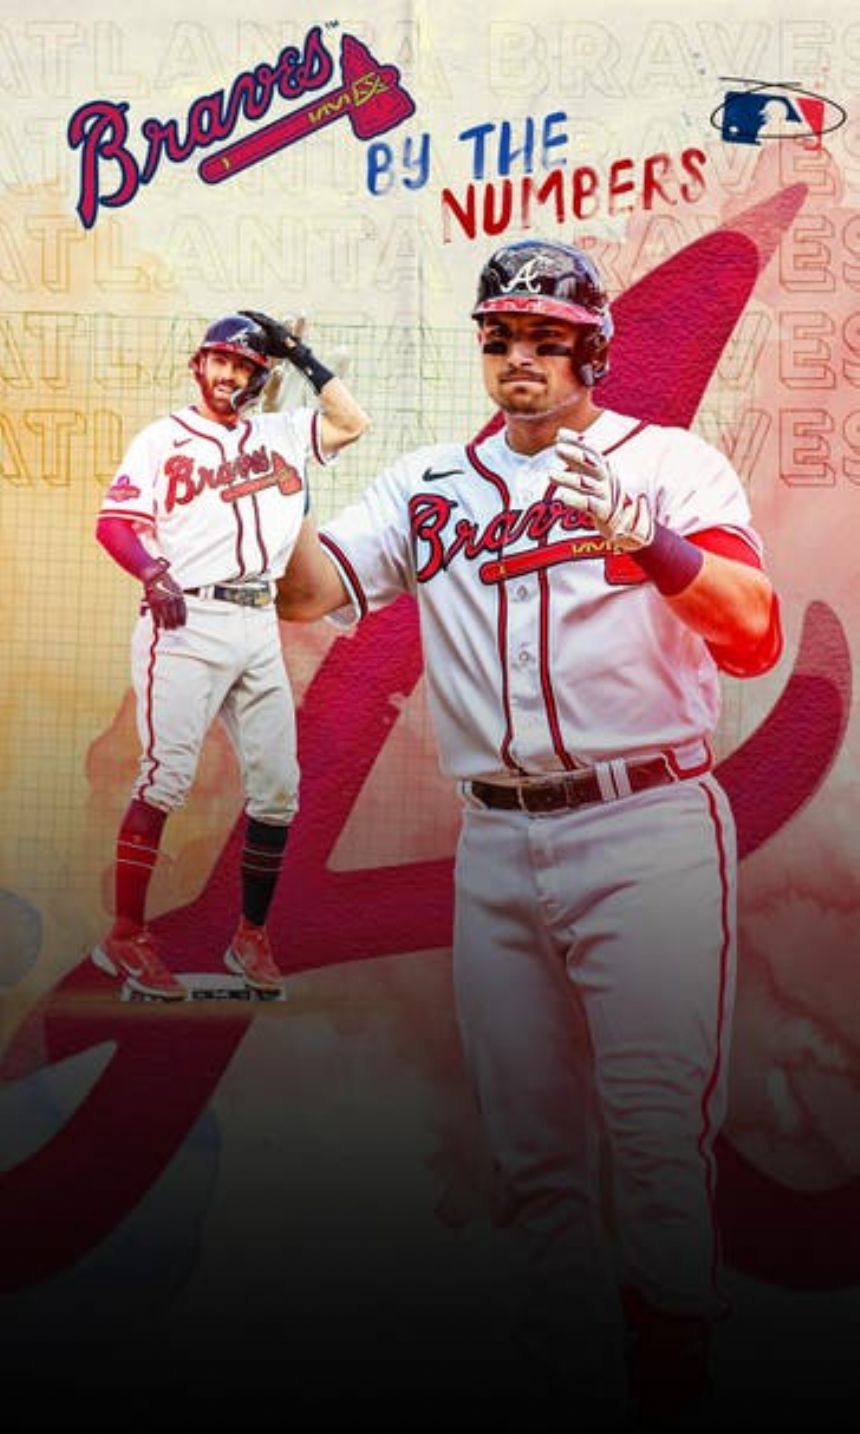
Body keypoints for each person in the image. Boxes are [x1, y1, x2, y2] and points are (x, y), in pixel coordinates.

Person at [275, 239, 782, 1426]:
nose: (519, 355)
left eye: (546, 335)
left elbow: (753, 635)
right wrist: (274, 479)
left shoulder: (668, 464)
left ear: (591, 348)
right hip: (496, 845)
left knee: (657, 1152)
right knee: (535, 1169)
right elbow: (308, 595)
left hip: (645, 824)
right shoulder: (426, 486)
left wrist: (651, 546)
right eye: (500, 334)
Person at [91, 310, 369, 1000]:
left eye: (242, 366)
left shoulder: (279, 433)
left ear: (258, 375)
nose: (226, 374)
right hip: (186, 618)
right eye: (217, 361)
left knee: (279, 786)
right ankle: (125, 937)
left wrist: (300, 353)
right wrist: (153, 574)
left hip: (255, 623)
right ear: (198, 365)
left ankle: (250, 937)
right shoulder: (163, 438)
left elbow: (350, 420)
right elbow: (114, 524)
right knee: (166, 779)